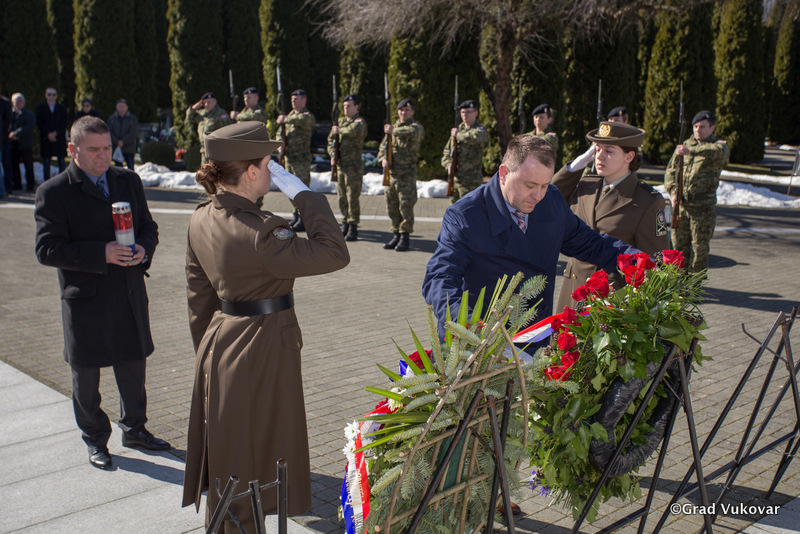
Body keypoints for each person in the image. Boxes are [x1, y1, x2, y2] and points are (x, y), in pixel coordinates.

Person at [182, 121, 349, 533]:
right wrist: (306, 196)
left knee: (233, 453)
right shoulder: (264, 231)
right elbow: (334, 252)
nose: (274, 169)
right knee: (253, 460)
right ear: (252, 171)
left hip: (220, 346)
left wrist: (209, 354)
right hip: (263, 349)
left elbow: (199, 300)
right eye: (268, 162)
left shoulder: (200, 218)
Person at [34, 116, 170, 471]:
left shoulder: (128, 180)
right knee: (86, 379)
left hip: (128, 292)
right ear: (72, 149)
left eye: (107, 147)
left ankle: (135, 429)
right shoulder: (54, 191)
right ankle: (95, 438)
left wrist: (144, 248)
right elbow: (46, 250)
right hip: (86, 300)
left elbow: (149, 227)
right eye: (94, 149)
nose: (103, 155)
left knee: (133, 368)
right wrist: (101, 253)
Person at [422, 134, 638, 336]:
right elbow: (439, 278)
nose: (538, 195)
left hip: (534, 337)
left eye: (544, 185)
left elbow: (592, 245)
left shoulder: (551, 200)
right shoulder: (466, 215)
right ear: (504, 174)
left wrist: (637, 262)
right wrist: (467, 325)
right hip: (485, 341)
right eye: (530, 185)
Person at [551, 121, 669, 311]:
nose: (599, 156)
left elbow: (654, 261)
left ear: (629, 156)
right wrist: (575, 166)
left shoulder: (646, 201)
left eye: (609, 151)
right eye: (597, 149)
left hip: (610, 303)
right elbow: (549, 198)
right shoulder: (585, 186)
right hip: (573, 292)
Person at [664, 110, 730, 273]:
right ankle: (679, 284)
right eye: (695, 126)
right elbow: (670, 172)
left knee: (699, 251)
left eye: (702, 127)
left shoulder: (719, 147)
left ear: (712, 128)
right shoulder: (684, 146)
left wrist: (691, 151)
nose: (698, 130)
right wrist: (673, 193)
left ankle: (695, 285)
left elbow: (718, 153)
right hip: (681, 207)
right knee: (678, 250)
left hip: (702, 210)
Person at [378, 97, 425, 251]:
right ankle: (396, 234)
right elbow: (382, 148)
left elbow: (413, 133)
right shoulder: (392, 129)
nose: (403, 113)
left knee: (406, 205)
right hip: (392, 175)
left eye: (406, 110)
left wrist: (393, 131)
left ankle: (405, 237)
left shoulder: (414, 127)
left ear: (412, 112)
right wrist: (383, 159)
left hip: (406, 175)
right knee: (392, 206)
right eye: (401, 110)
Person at [328, 94, 367, 240]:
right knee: (342, 197)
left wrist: (339, 130)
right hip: (341, 166)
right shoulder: (340, 122)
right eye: (344, 106)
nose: (346, 108)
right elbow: (330, 140)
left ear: (356, 107)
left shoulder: (359, 121)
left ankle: (353, 226)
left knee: (352, 198)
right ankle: (344, 223)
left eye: (349, 106)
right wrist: (332, 154)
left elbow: (355, 131)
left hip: (353, 167)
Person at [276, 89, 316, 232]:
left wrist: (286, 119)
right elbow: (280, 133)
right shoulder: (289, 116)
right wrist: (280, 144)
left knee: (301, 190)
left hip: (301, 160)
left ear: (304, 100)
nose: (293, 101)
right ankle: (296, 215)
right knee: (290, 189)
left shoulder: (306, 115)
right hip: (289, 159)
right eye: (292, 99)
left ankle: (304, 219)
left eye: (296, 99)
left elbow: (306, 122)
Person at [441, 99, 489, 203]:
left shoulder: (480, 129)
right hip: (456, 179)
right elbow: (447, 152)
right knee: (454, 209)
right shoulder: (457, 131)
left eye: (468, 112)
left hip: (472, 181)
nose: (465, 115)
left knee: (470, 209)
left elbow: (477, 138)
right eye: (462, 112)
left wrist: (458, 135)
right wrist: (448, 165)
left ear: (476, 113)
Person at [186, 92, 231, 165]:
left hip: (216, 151)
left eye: (209, 102)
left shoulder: (221, 114)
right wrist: (194, 107)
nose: (206, 104)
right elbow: (189, 119)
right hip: (204, 150)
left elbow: (226, 132)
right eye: (205, 103)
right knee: (205, 171)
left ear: (215, 102)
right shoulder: (202, 114)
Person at [35, 87, 68, 182]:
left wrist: (55, 133)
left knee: (61, 161)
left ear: (56, 96)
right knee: (46, 161)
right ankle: (47, 182)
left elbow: (64, 123)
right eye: (49, 94)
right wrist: (48, 134)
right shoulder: (40, 108)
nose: (51, 96)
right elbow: (39, 123)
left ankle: (63, 182)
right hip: (46, 138)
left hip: (59, 138)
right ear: (46, 95)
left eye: (53, 94)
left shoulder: (62, 108)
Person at [8, 93, 35, 192]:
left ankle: (30, 185)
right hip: (13, 144)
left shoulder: (29, 114)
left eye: (21, 101)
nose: (19, 103)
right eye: (17, 101)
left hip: (25, 143)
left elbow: (28, 127)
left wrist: (16, 134)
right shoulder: (10, 114)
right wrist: (10, 134)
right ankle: (16, 184)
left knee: (28, 165)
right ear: (12, 103)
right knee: (14, 165)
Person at [108, 98, 139, 170]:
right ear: (116, 107)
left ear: (127, 107)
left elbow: (133, 132)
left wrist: (123, 141)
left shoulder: (132, 118)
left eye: (123, 106)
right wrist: (117, 141)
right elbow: (109, 131)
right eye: (119, 106)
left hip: (129, 147)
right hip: (116, 147)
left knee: (130, 167)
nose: (121, 108)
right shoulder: (112, 119)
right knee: (117, 168)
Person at [0, 95, 12, 198]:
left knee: (5, 164)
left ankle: (4, 190)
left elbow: (7, 123)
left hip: (2, 140)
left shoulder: (5, 103)